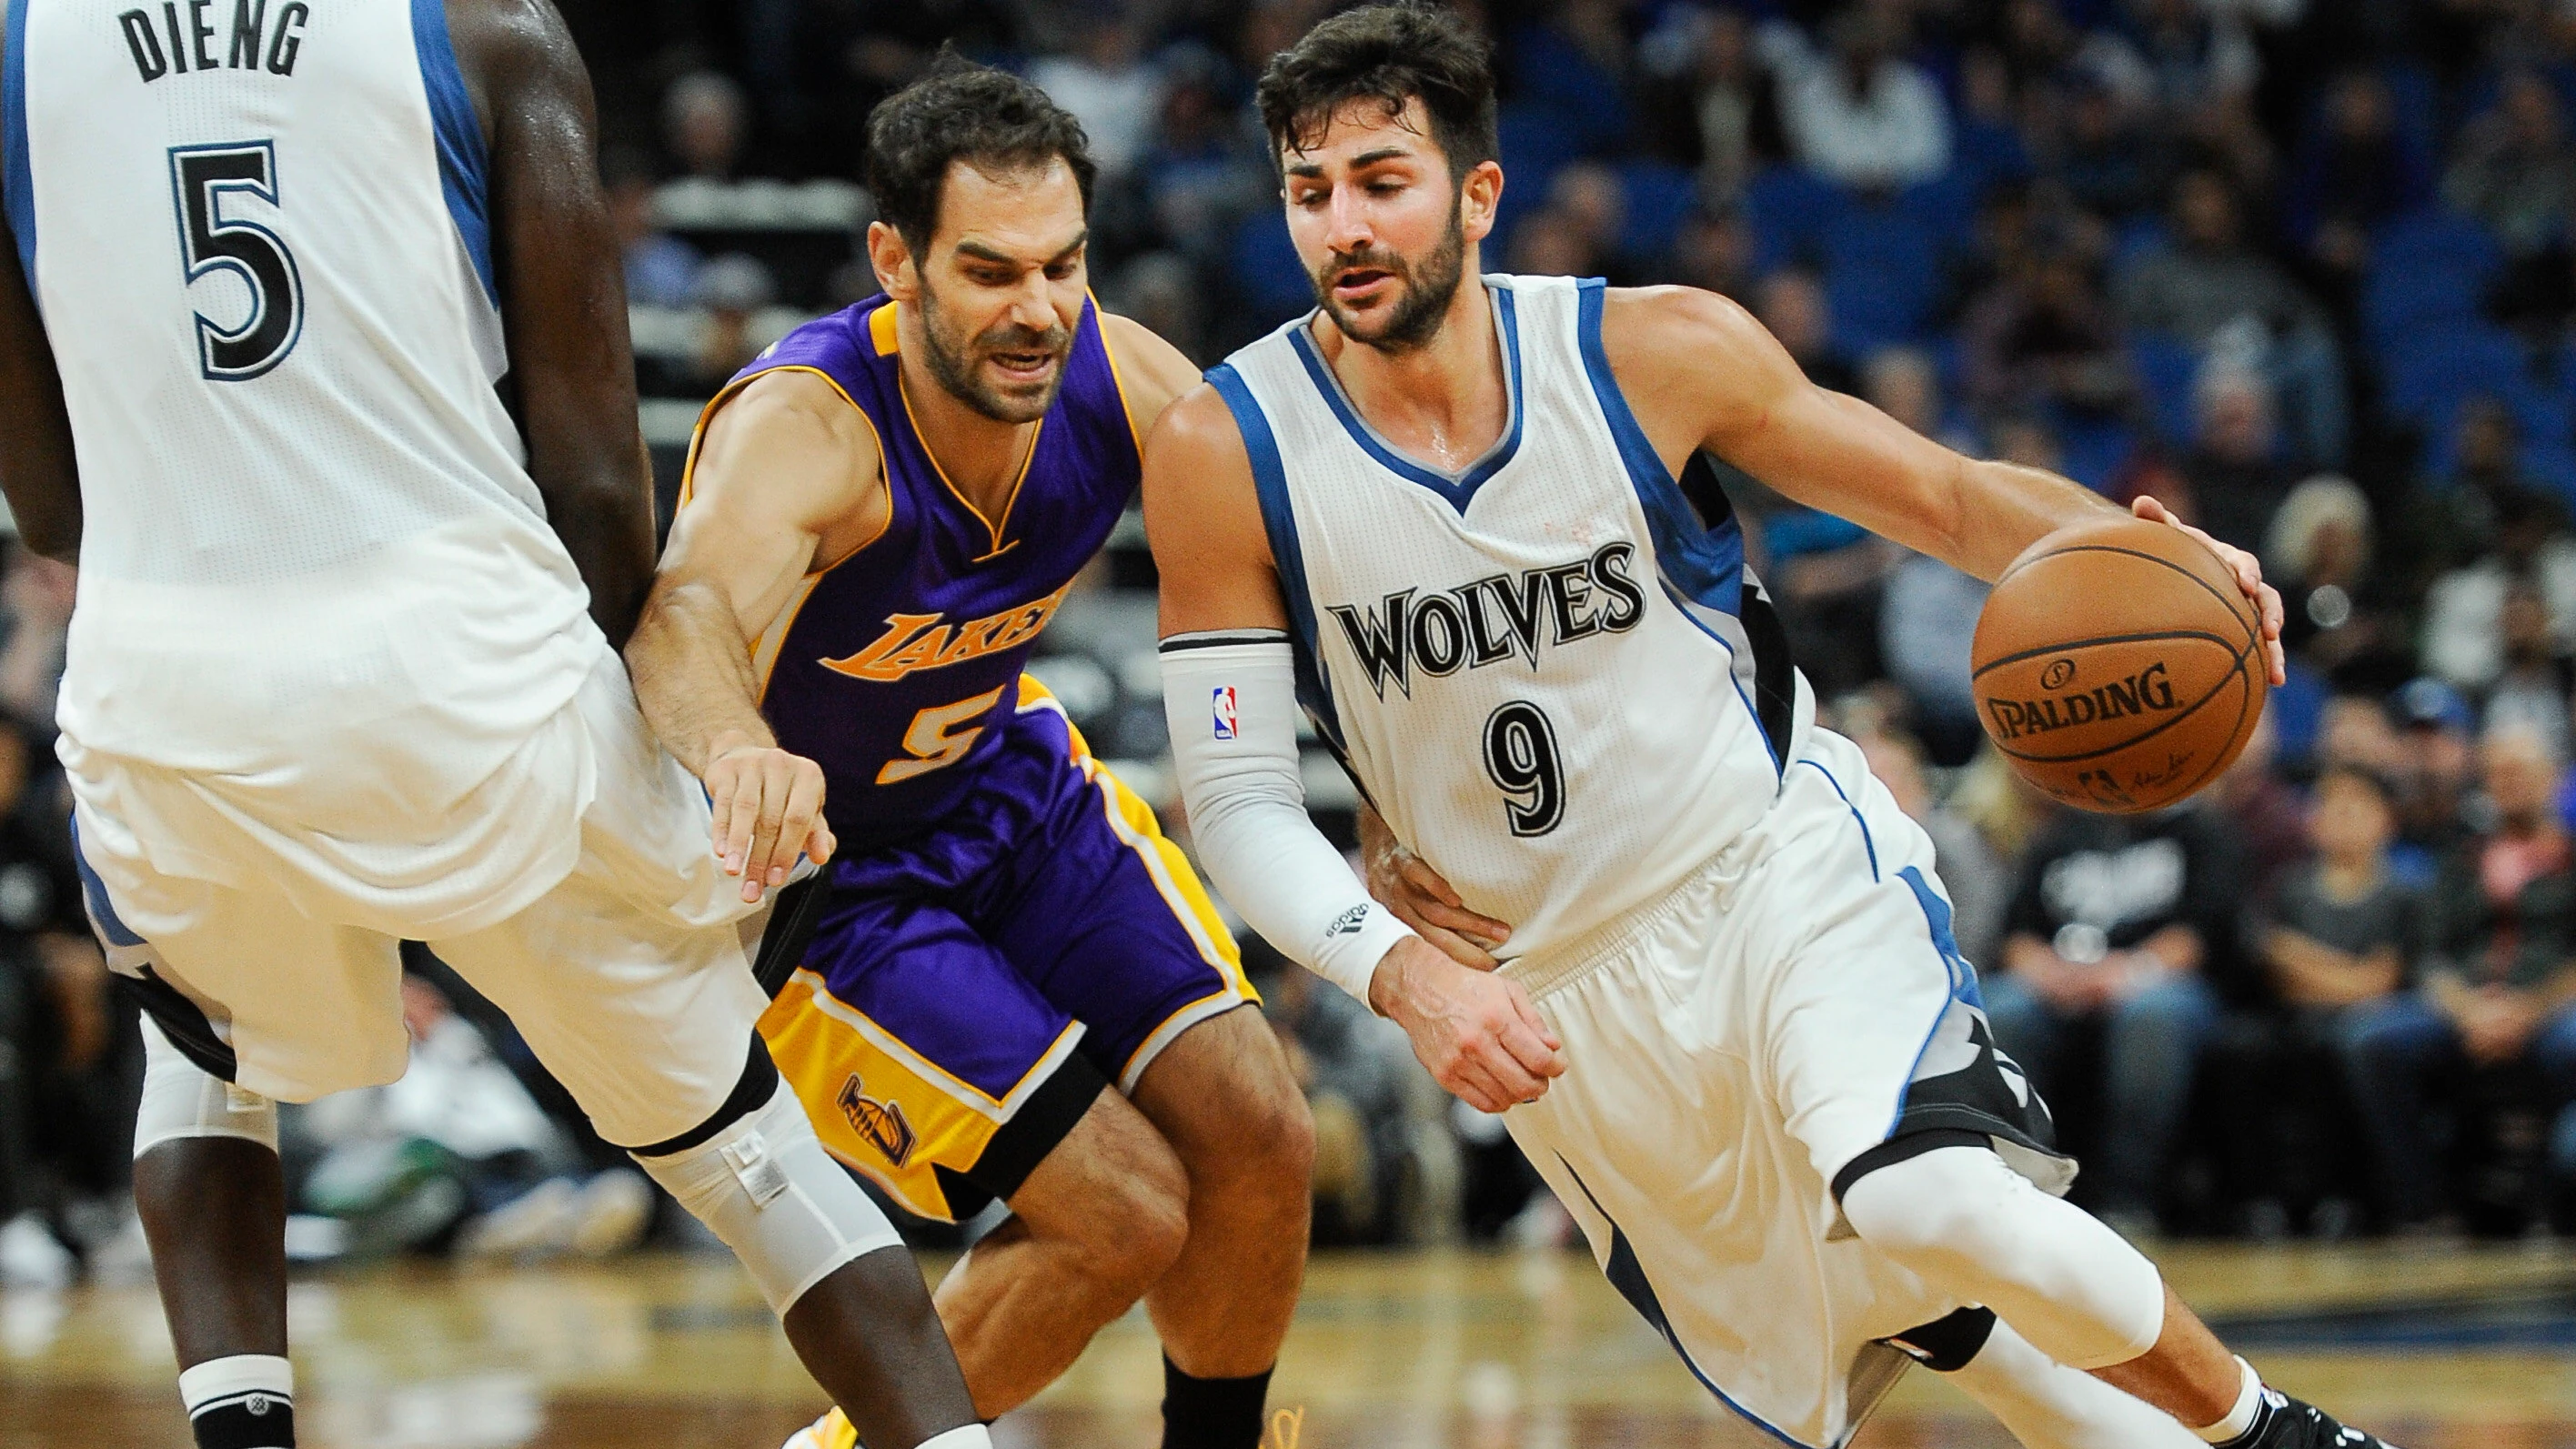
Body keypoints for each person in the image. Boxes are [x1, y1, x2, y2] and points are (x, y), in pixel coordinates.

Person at [1143, 8, 2395, 1449]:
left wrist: (2160, 557)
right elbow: (1236, 806)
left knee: (1920, 1194)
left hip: (1770, 867)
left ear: (1476, 194)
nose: (1346, 226)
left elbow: (1948, 499)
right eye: (1313, 194)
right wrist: (1404, 975)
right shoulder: (1223, 450)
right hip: (1553, 990)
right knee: (1927, 1299)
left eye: (1384, 180)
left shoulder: (1649, 349)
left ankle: (2277, 1437)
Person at [0, 6, 985, 1449]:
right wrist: (634, 735)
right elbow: (595, 473)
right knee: (739, 1148)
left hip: (175, 683)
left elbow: (51, 501)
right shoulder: (483, 29)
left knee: (204, 1058)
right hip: (471, 677)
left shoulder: (20, 47)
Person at [624, 62, 1312, 1449]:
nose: (1039, 311)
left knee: (1262, 1138)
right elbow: (680, 619)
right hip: (836, 888)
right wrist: (740, 749)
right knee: (1121, 1218)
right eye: (990, 272)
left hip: (1012, 793)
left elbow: (1300, 535)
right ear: (897, 261)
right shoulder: (808, 428)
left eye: (1063, 266)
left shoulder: (1114, 370)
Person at [2342, 726, 2576, 1233]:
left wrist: (2527, 1011)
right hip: (2465, 1007)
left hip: (2552, 1007)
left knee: (2570, 1045)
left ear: (2553, 778)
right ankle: (2427, 1205)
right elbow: (2429, 956)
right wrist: (2469, 1010)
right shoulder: (2459, 859)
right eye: (2496, 773)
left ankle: (2548, 1201)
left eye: (2519, 772)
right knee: (2372, 1039)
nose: (2506, 783)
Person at [1983, 790, 2237, 1233]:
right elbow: (2014, 935)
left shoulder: (2200, 832)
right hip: (2059, 980)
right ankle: (2014, 1189)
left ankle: (2130, 1197)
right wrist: (2047, 972)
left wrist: (2127, 972)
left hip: (2158, 980)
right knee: (2000, 1008)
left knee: (2152, 1018)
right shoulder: (2062, 832)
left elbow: (2203, 934)